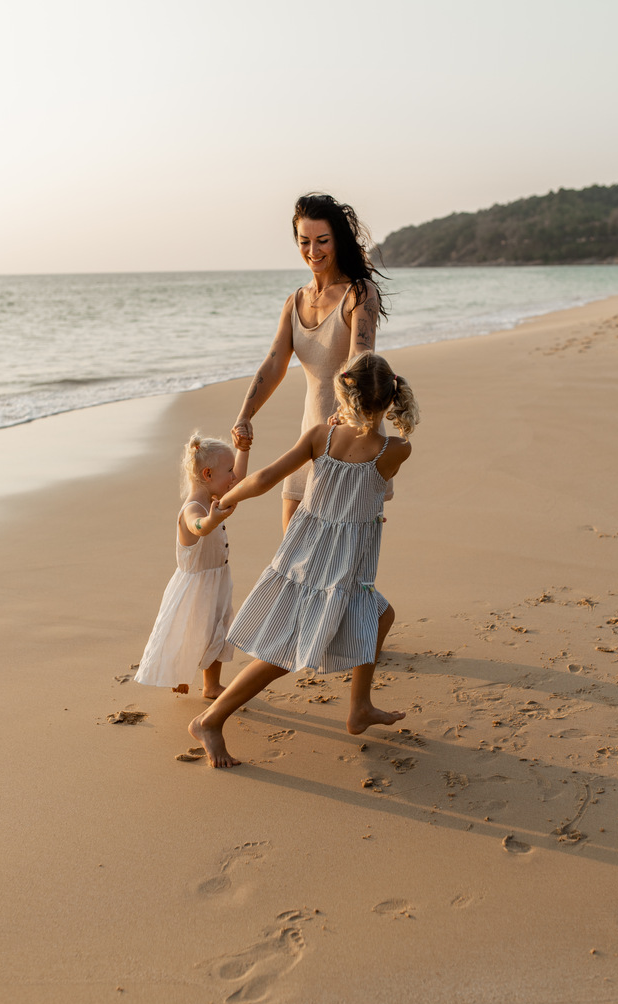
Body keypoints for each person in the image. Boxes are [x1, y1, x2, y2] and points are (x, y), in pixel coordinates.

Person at [190, 352, 419, 768]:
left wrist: (225, 498)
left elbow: (263, 479)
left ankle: (360, 707)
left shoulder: (321, 436)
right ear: (389, 402)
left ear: (344, 397)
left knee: (379, 616)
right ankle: (211, 718)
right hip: (341, 563)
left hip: (306, 553)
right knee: (282, 653)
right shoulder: (396, 449)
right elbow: (372, 468)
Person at [232, 193, 390, 533]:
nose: (313, 251)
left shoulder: (360, 294)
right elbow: (274, 363)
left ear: (337, 241)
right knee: (291, 547)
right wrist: (245, 415)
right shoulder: (295, 301)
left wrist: (346, 414)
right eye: (305, 241)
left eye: (322, 241)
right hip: (311, 434)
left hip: (351, 435)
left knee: (341, 559)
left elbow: (359, 360)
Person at [135, 432, 249, 700]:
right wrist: (212, 520)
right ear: (208, 474)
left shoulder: (214, 498)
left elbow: (242, 480)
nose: (234, 478)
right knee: (190, 634)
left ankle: (211, 686)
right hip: (196, 587)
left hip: (218, 579)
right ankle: (179, 674)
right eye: (229, 471)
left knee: (217, 631)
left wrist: (243, 448)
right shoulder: (193, 508)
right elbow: (197, 527)